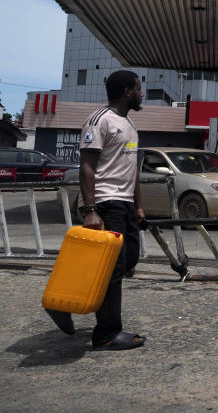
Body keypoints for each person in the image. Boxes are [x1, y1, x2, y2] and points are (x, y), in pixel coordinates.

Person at [50, 70, 148, 349]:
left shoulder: (129, 123)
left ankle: (62, 302)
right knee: (112, 268)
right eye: (139, 89)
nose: (142, 95)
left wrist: (138, 206)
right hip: (105, 201)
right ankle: (106, 334)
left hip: (125, 203)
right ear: (127, 91)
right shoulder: (99, 121)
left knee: (128, 259)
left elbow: (132, 169)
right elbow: (87, 166)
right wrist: (90, 208)